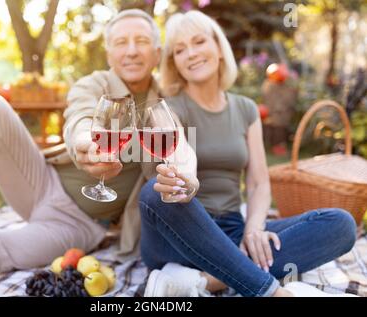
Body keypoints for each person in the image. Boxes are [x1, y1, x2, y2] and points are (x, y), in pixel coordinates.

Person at [0, 9, 197, 293]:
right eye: (122, 42)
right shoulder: (93, 85)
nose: (132, 51)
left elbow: (181, 150)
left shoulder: (165, 105)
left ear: (157, 51)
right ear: (109, 53)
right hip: (41, 181)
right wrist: (86, 143)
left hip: (76, 224)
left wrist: (188, 176)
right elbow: (80, 117)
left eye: (141, 41)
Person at [139, 11, 357, 297]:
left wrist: (254, 228)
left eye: (198, 42)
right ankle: (269, 290)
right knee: (155, 192)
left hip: (231, 231)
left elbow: (258, 182)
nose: (190, 54)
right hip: (178, 234)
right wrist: (187, 178)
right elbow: (179, 150)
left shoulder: (245, 109)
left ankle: (202, 282)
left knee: (340, 224)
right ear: (174, 63)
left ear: (218, 48)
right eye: (179, 50)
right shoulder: (166, 109)